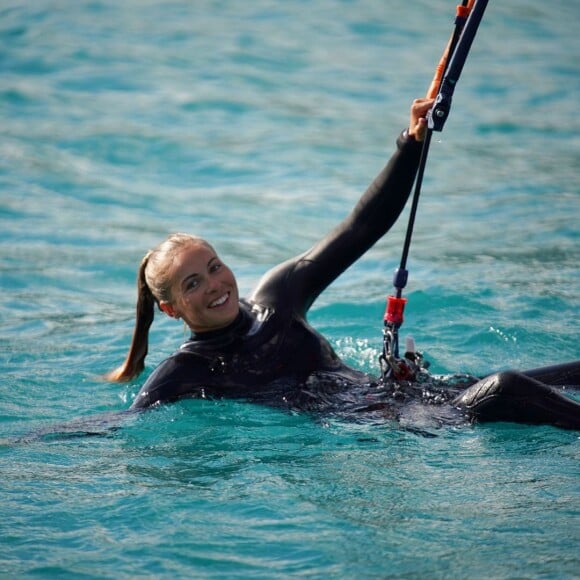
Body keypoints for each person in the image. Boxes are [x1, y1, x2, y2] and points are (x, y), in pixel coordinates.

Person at [106, 98, 580, 430]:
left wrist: (410, 143)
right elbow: (118, 428)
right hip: (383, 424)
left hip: (403, 393)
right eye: (192, 283)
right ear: (171, 309)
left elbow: (361, 227)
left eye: (214, 266)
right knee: (504, 389)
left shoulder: (278, 298)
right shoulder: (185, 373)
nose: (215, 285)